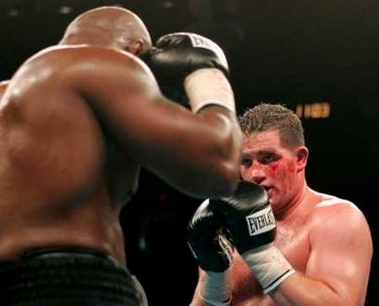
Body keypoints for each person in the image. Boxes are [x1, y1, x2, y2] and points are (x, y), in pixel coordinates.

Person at [0, 5, 243, 305]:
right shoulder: (106, 63)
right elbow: (219, 165)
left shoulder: (11, 96)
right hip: (74, 283)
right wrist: (208, 75)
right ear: (135, 48)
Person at [188, 103, 373, 305]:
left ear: (300, 158)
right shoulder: (226, 226)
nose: (255, 174)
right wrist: (215, 278)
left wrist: (259, 253)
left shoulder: (336, 219)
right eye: (246, 161)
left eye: (268, 158)